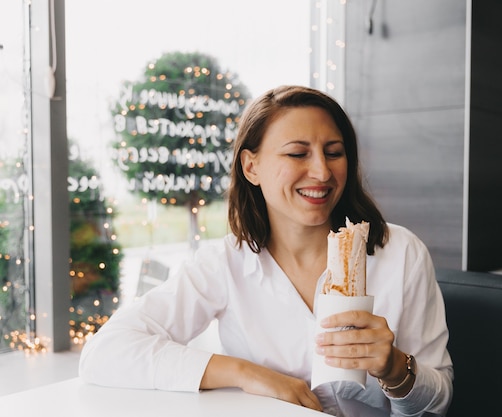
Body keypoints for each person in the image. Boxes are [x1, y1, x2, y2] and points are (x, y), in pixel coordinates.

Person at [79, 85, 453, 416]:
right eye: (297, 154)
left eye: (334, 152)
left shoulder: (401, 253)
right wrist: (248, 374)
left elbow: (438, 403)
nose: (322, 172)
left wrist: (395, 369)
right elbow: (105, 352)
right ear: (251, 166)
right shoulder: (224, 263)